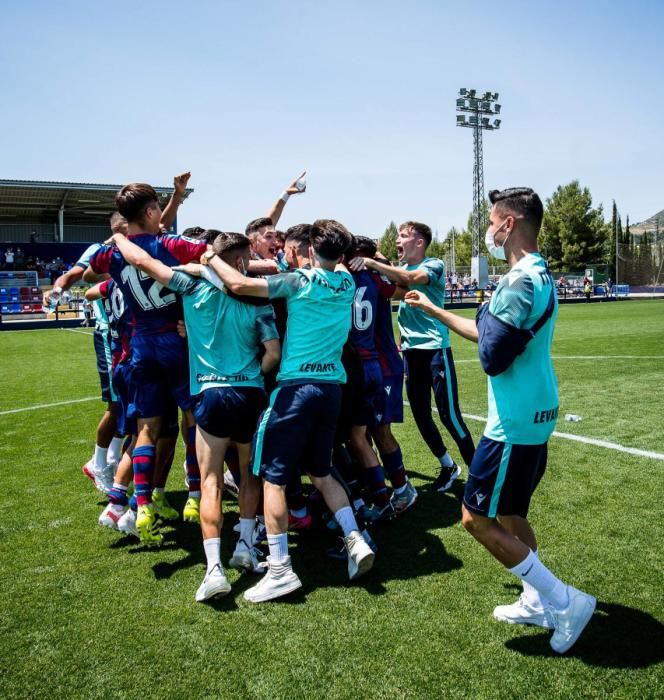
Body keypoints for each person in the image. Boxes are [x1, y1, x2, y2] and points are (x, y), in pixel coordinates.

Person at [404, 187, 595, 654]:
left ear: (508, 224)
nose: (487, 229)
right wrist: (435, 310)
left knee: (474, 517)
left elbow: (491, 355)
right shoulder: (538, 272)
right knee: (511, 512)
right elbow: (491, 335)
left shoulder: (516, 282)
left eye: (492, 220)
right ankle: (537, 597)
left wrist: (488, 312)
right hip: (533, 410)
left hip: (512, 421)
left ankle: (564, 600)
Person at [206, 219, 375, 603]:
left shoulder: (300, 282)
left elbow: (239, 284)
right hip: (332, 389)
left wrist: (211, 257)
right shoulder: (346, 282)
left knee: (274, 479)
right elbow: (341, 261)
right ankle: (355, 539)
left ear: (311, 253)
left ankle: (281, 570)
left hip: (295, 390)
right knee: (321, 471)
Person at [108, 229, 281, 601]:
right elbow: (273, 355)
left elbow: (144, 262)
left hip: (209, 393)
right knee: (250, 474)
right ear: (239, 261)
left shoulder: (190, 287)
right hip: (249, 391)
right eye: (248, 258)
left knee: (211, 482)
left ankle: (214, 569)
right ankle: (246, 547)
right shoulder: (256, 299)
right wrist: (255, 368)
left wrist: (120, 237)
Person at [85, 174, 205, 545]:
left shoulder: (113, 251)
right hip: (174, 342)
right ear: (151, 210)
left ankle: (142, 504)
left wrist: (117, 242)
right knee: (192, 419)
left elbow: (90, 274)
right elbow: (207, 253)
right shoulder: (169, 243)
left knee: (146, 429)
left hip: (139, 347)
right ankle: (195, 495)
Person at [349, 221, 475, 492]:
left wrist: (372, 263)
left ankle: (478, 475)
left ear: (419, 242)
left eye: (403, 236)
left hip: (435, 349)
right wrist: (373, 255)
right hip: (410, 352)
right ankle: (448, 465)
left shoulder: (434, 265)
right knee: (420, 415)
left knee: (449, 415)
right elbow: (390, 270)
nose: (397, 240)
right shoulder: (398, 268)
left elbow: (409, 279)